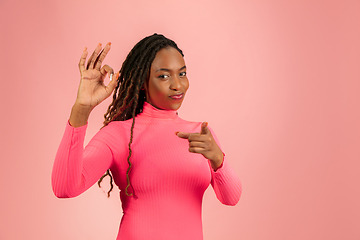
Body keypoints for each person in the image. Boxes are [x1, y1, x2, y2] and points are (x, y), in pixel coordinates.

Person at [52, 33, 242, 240]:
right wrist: (81, 109)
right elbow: (65, 188)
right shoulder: (119, 134)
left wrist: (218, 160)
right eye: (164, 76)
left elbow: (231, 198)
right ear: (142, 81)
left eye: (182, 73)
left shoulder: (201, 134)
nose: (178, 85)